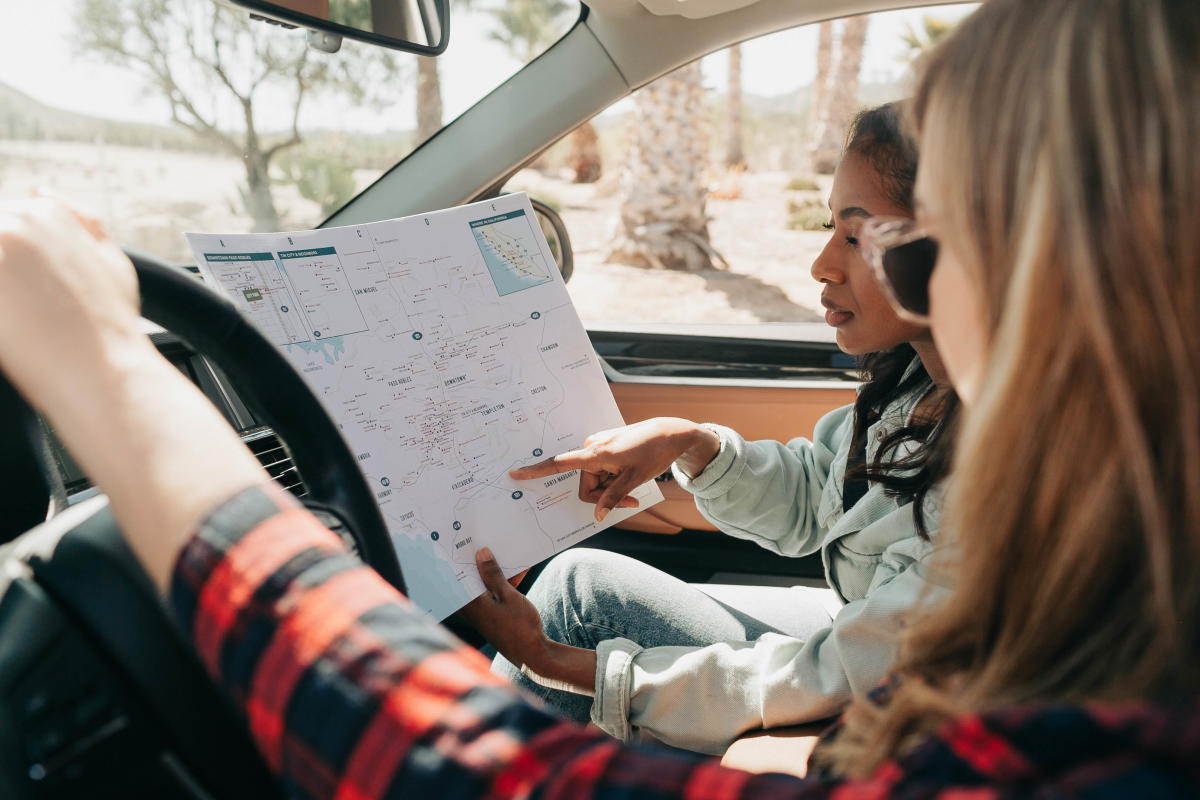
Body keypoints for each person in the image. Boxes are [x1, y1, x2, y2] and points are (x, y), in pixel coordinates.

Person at [2, 0, 1199, 795]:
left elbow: (487, 775)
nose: (905, 287)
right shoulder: (1084, 585)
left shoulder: (1084, 741)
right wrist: (701, 449)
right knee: (576, 586)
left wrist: (104, 372)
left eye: (920, 248)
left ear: (1102, 275)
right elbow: (817, 502)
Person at [462, 103, 959, 754]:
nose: (820, 265)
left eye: (857, 236)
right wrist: (688, 444)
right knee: (578, 584)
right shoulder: (913, 383)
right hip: (859, 627)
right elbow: (821, 497)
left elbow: (842, 677)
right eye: (827, 226)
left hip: (871, 687)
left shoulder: (1000, 472)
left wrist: (562, 666)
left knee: (566, 621)